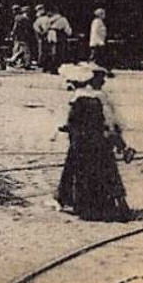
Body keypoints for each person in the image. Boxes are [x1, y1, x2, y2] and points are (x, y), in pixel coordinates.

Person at [53, 63, 130, 222]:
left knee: (78, 172)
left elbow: (69, 123)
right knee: (107, 172)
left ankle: (80, 205)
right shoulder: (101, 98)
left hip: (80, 144)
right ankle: (112, 204)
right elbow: (111, 122)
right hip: (100, 142)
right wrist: (118, 141)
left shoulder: (77, 99)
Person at [44, 6, 73, 73]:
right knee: (59, 52)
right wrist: (69, 34)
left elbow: (45, 28)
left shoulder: (48, 19)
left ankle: (49, 67)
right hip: (59, 35)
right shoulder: (62, 19)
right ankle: (57, 68)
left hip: (50, 34)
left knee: (51, 51)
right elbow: (67, 29)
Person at [9, 6, 37, 71]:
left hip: (19, 36)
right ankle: (27, 64)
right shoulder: (24, 19)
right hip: (24, 36)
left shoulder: (19, 18)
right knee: (26, 50)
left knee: (21, 50)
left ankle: (13, 61)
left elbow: (15, 27)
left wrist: (13, 33)